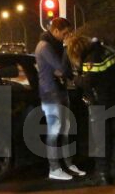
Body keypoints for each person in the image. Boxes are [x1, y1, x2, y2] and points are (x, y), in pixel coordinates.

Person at [66, 35, 115, 185]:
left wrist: (75, 79)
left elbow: (87, 82)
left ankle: (102, 174)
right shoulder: (108, 51)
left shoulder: (91, 59)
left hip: (100, 103)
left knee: (100, 141)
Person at [35, 17, 85, 181]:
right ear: (55, 31)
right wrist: (65, 49)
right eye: (64, 33)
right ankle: (54, 168)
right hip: (51, 93)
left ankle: (68, 164)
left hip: (59, 90)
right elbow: (62, 68)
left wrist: (63, 71)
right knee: (55, 130)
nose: (66, 36)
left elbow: (64, 70)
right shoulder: (45, 47)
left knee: (66, 128)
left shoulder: (52, 45)